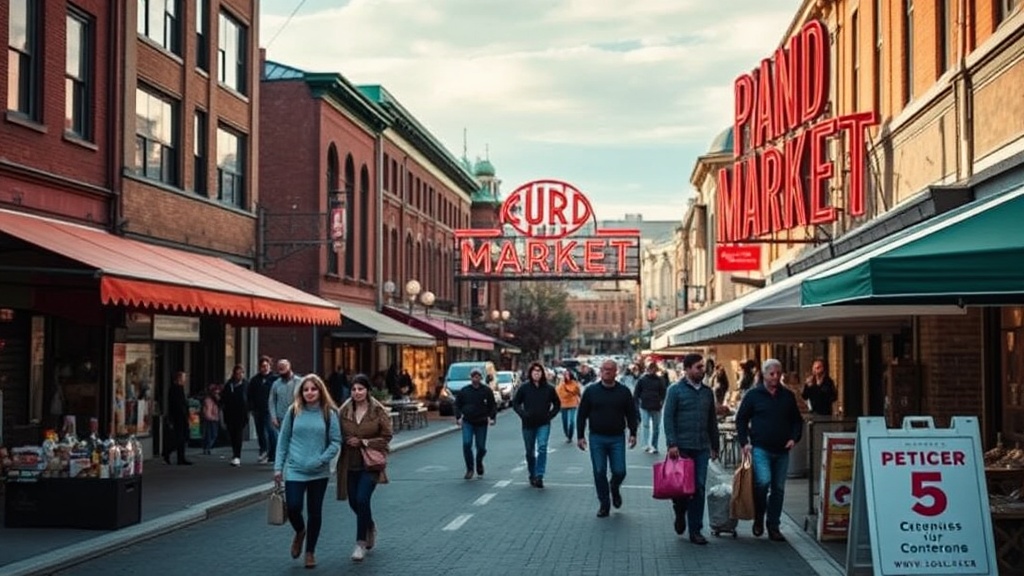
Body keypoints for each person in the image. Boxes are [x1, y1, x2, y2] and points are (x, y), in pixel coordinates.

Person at [274, 374, 341, 569]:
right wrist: (278, 467)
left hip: (318, 471)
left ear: (320, 391)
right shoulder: (293, 411)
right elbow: (283, 441)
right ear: (301, 392)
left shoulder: (329, 413)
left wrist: (321, 459)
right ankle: (300, 531)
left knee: (315, 512)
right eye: (306, 390)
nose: (310, 393)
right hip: (295, 469)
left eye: (313, 389)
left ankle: (310, 552)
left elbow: (336, 441)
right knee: (293, 507)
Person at [734, 358, 803, 542]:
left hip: (782, 450)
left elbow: (797, 420)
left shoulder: (787, 396)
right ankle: (759, 516)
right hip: (760, 448)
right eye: (771, 373)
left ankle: (773, 526)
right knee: (763, 482)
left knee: (778, 489)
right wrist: (744, 442)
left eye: (778, 373)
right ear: (764, 374)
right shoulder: (753, 395)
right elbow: (741, 419)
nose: (775, 377)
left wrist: (794, 438)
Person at [663, 353, 720, 545]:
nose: (702, 371)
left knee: (699, 488)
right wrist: (672, 443)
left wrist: (715, 445)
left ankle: (696, 530)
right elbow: (668, 418)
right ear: (687, 369)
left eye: (703, 367)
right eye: (698, 367)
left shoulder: (707, 392)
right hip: (682, 448)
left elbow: (712, 420)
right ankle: (680, 511)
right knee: (681, 489)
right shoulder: (675, 390)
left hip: (701, 447)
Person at [336, 374, 394, 562]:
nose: (357, 392)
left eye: (360, 389)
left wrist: (364, 442)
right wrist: (342, 440)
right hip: (349, 463)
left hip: (370, 464)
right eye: (354, 389)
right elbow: (335, 433)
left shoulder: (377, 410)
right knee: (354, 502)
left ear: (367, 390)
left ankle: (360, 543)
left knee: (362, 499)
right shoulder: (344, 411)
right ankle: (369, 524)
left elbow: (387, 436)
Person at [577, 359, 638, 518]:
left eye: (610, 369)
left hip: (617, 438)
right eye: (604, 369)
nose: (607, 371)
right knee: (599, 471)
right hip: (597, 437)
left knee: (620, 471)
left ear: (616, 372)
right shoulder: (591, 391)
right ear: (600, 371)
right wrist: (580, 436)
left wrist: (633, 433)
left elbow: (631, 414)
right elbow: (582, 414)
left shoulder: (623, 392)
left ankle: (614, 487)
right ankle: (604, 504)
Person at [512, 362, 561, 488]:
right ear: (530, 373)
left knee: (542, 447)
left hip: (543, 423)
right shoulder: (524, 388)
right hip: (528, 424)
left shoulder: (549, 388)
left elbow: (557, 404)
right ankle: (532, 473)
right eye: (534, 371)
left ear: (542, 373)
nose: (536, 373)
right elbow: (515, 403)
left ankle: (539, 475)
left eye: (539, 371)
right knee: (530, 451)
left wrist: (550, 415)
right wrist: (523, 414)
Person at [453, 367, 497, 480]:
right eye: (474, 376)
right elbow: (457, 404)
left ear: (481, 377)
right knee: (467, 443)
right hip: (468, 421)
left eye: (478, 376)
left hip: (481, 422)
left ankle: (479, 462)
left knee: (481, 447)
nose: (476, 378)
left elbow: (492, 405)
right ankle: (470, 469)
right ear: (471, 377)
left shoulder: (486, 391)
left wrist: (492, 417)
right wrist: (458, 417)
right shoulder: (464, 391)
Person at [633, 362, 668, 454]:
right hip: (648, 406)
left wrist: (661, 402)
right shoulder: (644, 380)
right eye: (651, 368)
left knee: (653, 427)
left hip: (653, 406)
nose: (652, 370)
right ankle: (648, 445)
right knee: (648, 426)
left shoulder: (657, 380)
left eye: (654, 369)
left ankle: (652, 445)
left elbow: (663, 392)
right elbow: (636, 393)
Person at [249, 356, 277, 464]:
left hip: (270, 410)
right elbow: (250, 394)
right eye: (262, 366)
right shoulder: (255, 380)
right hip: (258, 410)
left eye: (266, 366)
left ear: (270, 366)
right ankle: (263, 450)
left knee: (271, 431)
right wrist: (251, 408)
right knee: (260, 432)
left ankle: (272, 454)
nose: (264, 368)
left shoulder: (275, 379)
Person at [161, 371, 192, 465]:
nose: (185, 380)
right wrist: (183, 413)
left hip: (181, 416)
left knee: (182, 437)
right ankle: (168, 453)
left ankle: (180, 457)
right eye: (183, 378)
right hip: (178, 417)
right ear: (179, 379)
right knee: (178, 438)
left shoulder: (179, 388)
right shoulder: (175, 389)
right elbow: (177, 404)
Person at [221, 364, 248, 467]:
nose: (239, 375)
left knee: (238, 434)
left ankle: (237, 456)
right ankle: (234, 453)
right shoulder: (229, 385)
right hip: (230, 413)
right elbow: (224, 398)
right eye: (237, 373)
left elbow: (249, 397)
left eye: (241, 373)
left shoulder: (246, 384)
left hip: (241, 413)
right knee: (232, 434)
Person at [270, 359, 303, 439]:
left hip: (296, 417)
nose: (281, 370)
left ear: (289, 366)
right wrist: (273, 417)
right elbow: (271, 401)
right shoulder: (276, 384)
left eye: (283, 367)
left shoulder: (299, 381)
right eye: (279, 368)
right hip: (281, 419)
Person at [556, 371, 582, 444]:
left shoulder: (574, 383)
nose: (566, 376)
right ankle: (567, 434)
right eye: (565, 375)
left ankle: (570, 436)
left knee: (572, 421)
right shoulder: (561, 383)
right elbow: (558, 393)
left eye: (568, 374)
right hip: (564, 404)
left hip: (573, 404)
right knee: (565, 421)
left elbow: (578, 392)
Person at [201, 383, 221, 455]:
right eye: (215, 393)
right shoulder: (208, 400)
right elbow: (207, 411)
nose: (217, 395)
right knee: (210, 435)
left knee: (213, 434)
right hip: (210, 419)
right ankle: (207, 448)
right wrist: (210, 417)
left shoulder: (215, 400)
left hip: (214, 418)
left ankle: (207, 448)